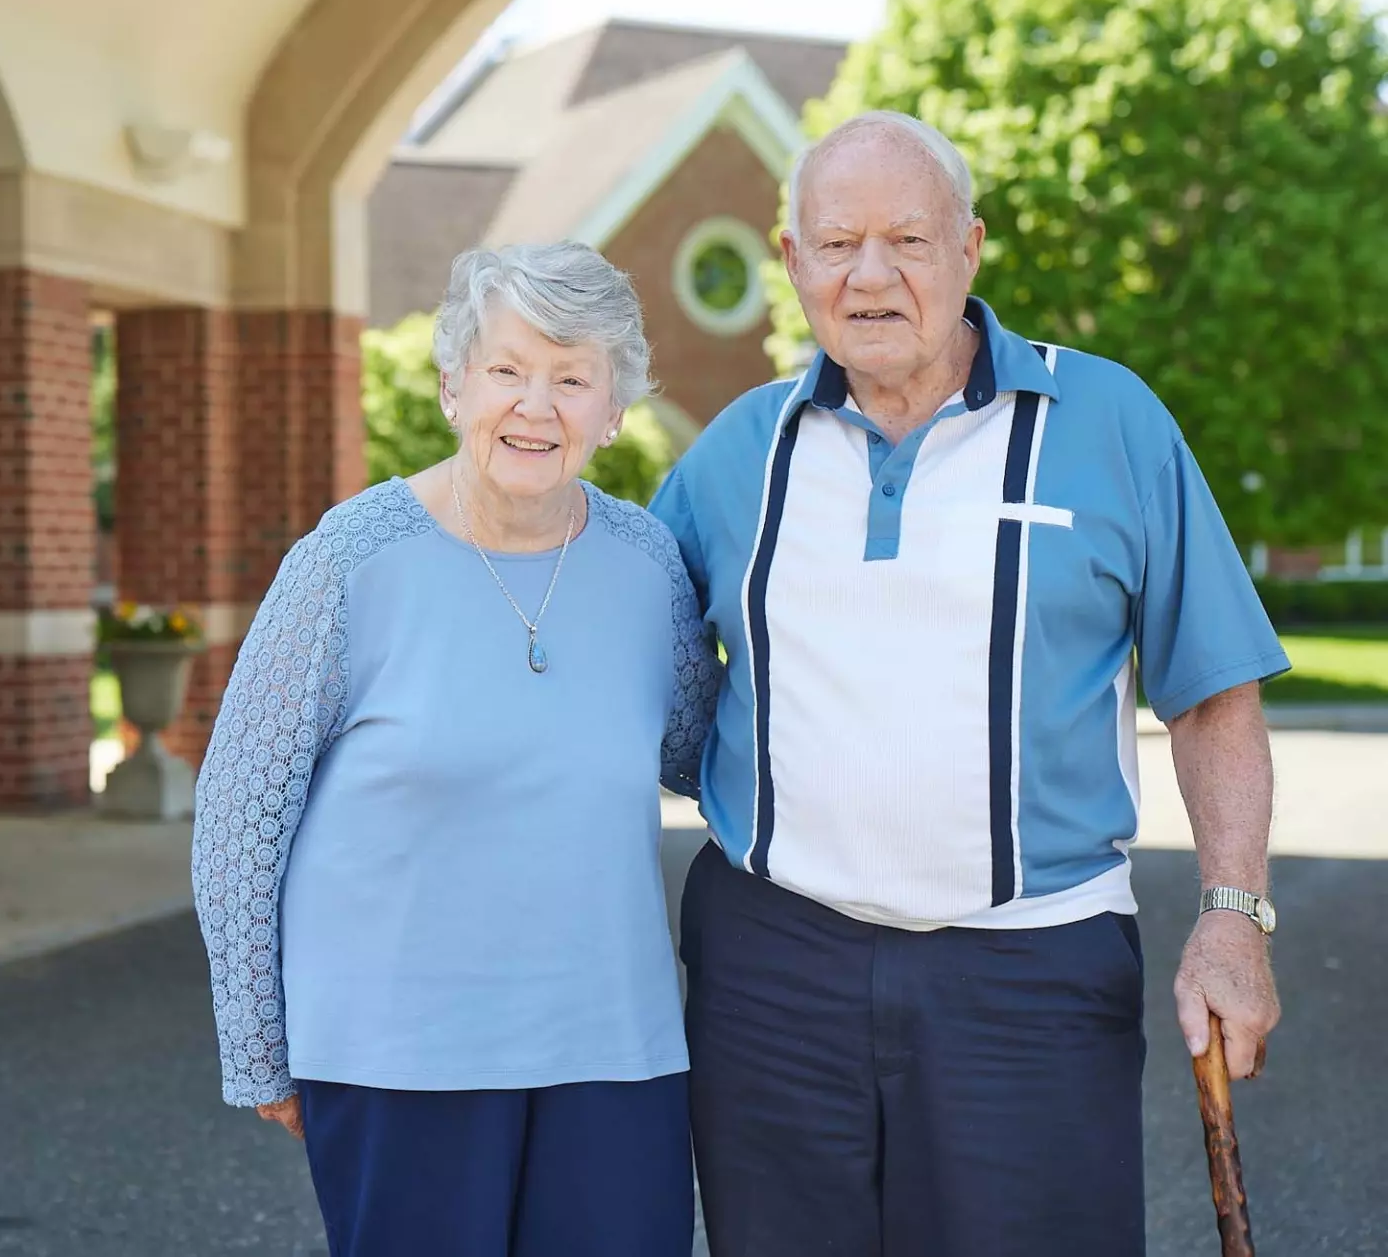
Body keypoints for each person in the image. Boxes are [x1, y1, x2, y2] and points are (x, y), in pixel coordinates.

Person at [649, 111, 1289, 1257]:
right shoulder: (738, 453)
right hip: (774, 973)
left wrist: (1234, 920)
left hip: (1032, 967)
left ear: (971, 249)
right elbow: (627, 660)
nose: (873, 274)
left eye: (910, 239)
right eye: (837, 243)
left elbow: (1214, 695)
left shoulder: (1109, 423)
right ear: (791, 264)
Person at [191, 241, 720, 1257]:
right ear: (452, 384)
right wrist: (260, 1046)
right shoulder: (349, 562)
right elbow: (239, 815)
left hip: (614, 1050)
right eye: (507, 370)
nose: (536, 406)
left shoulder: (647, 565)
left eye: (573, 379)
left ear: (613, 410)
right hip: (398, 1058)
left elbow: (705, 758)